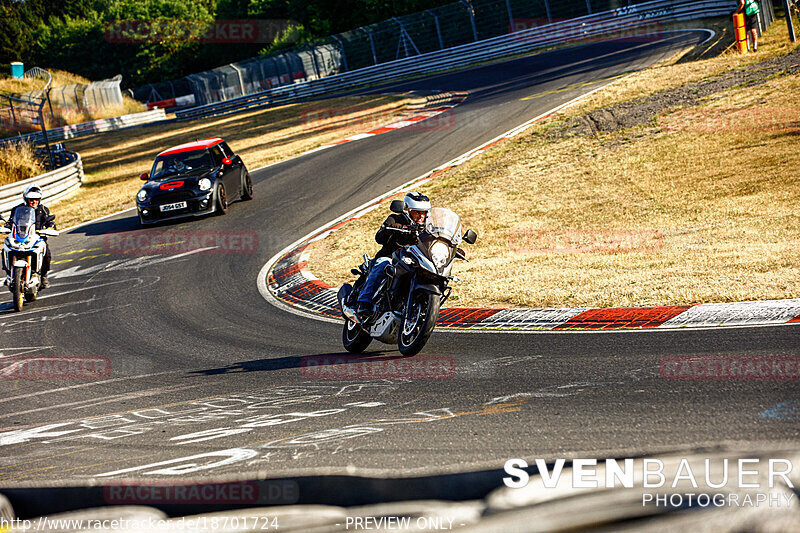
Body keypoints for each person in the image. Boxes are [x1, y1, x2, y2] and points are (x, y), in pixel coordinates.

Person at [355, 192, 431, 321]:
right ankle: (364, 302)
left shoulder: (428, 228)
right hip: (391, 257)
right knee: (383, 264)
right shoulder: (395, 219)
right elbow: (379, 238)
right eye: (416, 212)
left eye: (423, 213)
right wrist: (390, 229)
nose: (420, 216)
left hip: (413, 261)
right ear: (407, 211)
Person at [4, 185, 56, 288]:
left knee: (47, 253)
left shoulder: (43, 210)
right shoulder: (17, 209)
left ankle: (43, 276)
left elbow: (49, 221)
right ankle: (9, 273)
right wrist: (5, 227)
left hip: (37, 238)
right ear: (26, 199)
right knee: (6, 247)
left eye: (36, 199)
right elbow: (10, 222)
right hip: (20, 237)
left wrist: (50, 228)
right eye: (31, 199)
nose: (34, 202)